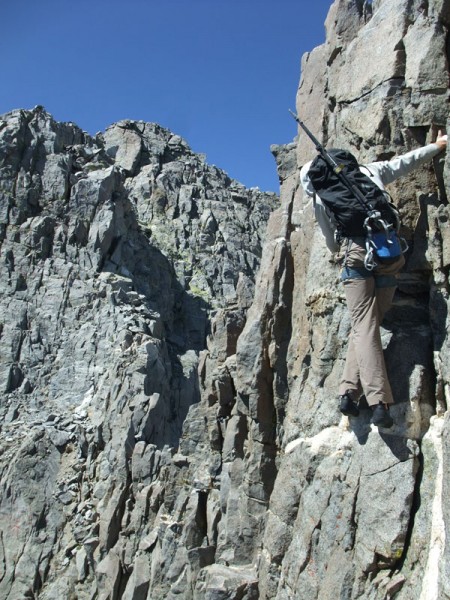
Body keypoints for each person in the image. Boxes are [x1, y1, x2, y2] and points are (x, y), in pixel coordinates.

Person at [300, 132, 447, 428]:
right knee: (367, 326)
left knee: (364, 327)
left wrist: (341, 249)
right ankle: (348, 393)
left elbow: (330, 240)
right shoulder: (367, 172)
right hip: (390, 253)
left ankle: (379, 402)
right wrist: (437, 146)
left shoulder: (321, 196)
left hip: (357, 258)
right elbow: (403, 163)